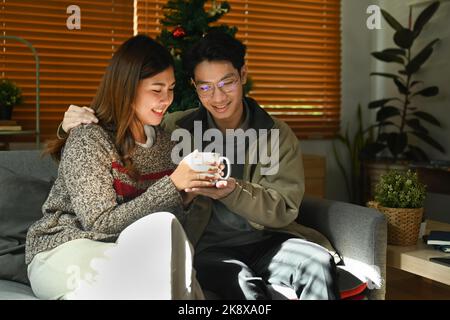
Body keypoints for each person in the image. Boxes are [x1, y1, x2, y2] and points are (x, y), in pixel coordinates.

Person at [58, 31, 341, 300]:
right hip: (205, 247)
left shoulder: (276, 135)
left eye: (227, 83)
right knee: (240, 281)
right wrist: (68, 125)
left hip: (267, 241)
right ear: (194, 86)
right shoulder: (174, 127)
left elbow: (284, 209)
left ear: (243, 75)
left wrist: (232, 191)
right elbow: (115, 129)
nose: (217, 98)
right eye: (205, 87)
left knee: (316, 262)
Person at [25, 34, 222, 300]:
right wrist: (173, 184)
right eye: (156, 89)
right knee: (147, 275)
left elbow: (161, 218)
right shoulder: (89, 137)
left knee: (170, 264)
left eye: (171, 88)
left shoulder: (165, 144)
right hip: (66, 246)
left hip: (127, 249)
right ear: (127, 87)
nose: (167, 99)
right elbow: (100, 223)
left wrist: (186, 195)